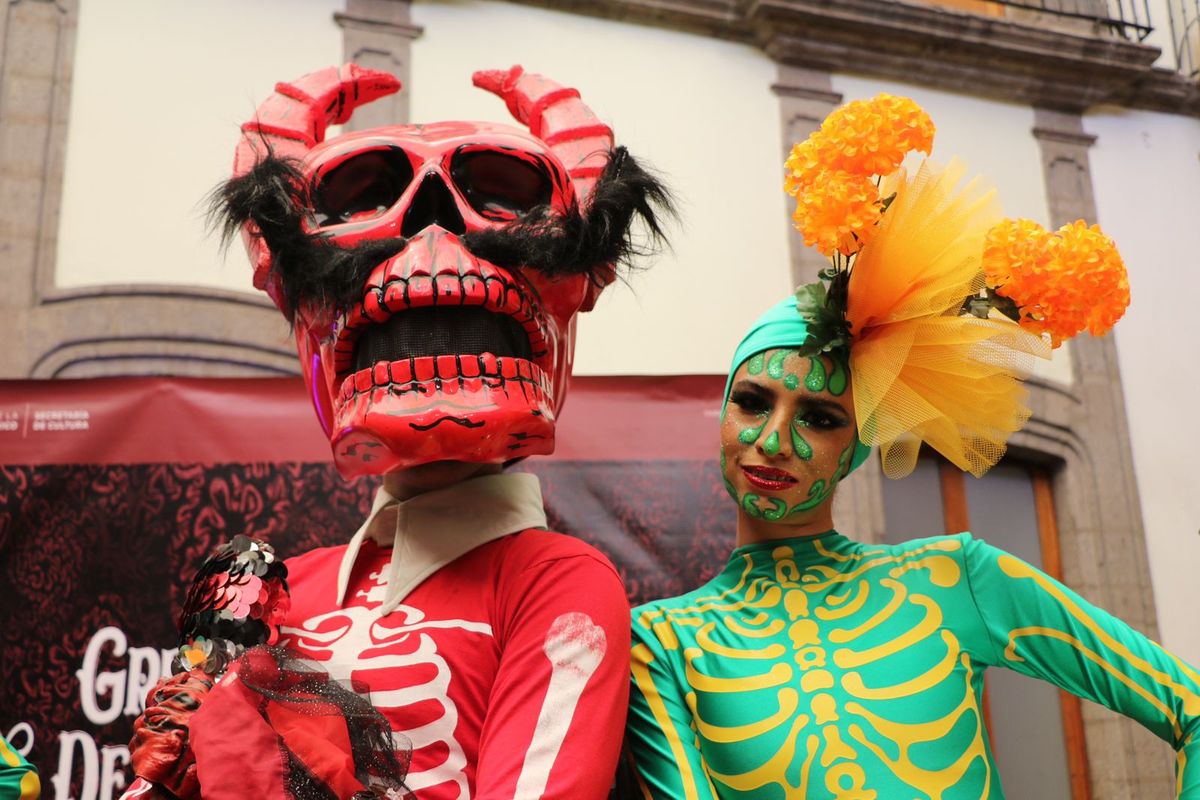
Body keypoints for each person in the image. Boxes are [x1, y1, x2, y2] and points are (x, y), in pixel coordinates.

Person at [625, 95, 1200, 798]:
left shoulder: (960, 577)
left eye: (819, 418)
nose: (773, 440)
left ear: (856, 448)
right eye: (752, 402)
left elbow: (1191, 709)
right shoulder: (660, 644)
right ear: (722, 413)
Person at [125, 63, 672, 800]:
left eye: (501, 203)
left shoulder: (557, 581)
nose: (432, 235)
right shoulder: (281, 587)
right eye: (365, 204)